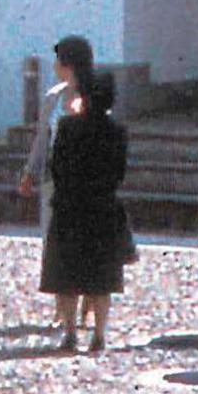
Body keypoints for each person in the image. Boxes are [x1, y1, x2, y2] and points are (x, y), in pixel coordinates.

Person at [39, 70, 129, 352]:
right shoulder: (117, 130)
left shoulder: (67, 127)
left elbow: (56, 167)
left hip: (69, 207)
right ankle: (99, 334)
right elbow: (119, 172)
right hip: (103, 208)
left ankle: (70, 333)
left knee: (66, 276)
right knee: (101, 278)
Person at [20, 35, 93, 332]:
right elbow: (42, 139)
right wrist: (29, 171)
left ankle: (88, 301)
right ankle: (62, 307)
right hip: (54, 178)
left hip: (86, 182)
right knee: (54, 243)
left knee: (87, 242)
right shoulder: (53, 97)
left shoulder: (94, 96)